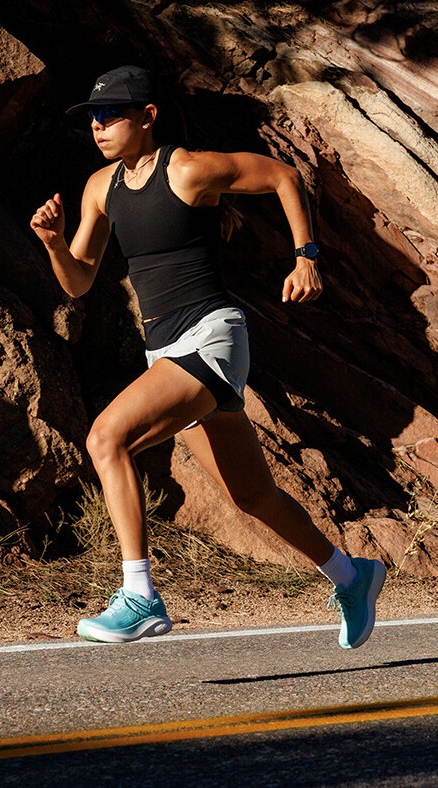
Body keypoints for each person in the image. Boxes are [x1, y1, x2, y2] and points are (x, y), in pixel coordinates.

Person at [30, 65, 385, 649]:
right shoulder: (100, 188)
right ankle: (351, 575)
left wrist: (306, 256)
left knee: (104, 439)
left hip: (211, 337)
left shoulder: (189, 169)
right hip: (164, 350)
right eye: (93, 116)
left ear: (148, 116)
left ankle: (139, 594)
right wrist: (52, 243)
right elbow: (77, 281)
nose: (98, 126)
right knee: (251, 495)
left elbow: (281, 176)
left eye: (111, 114)